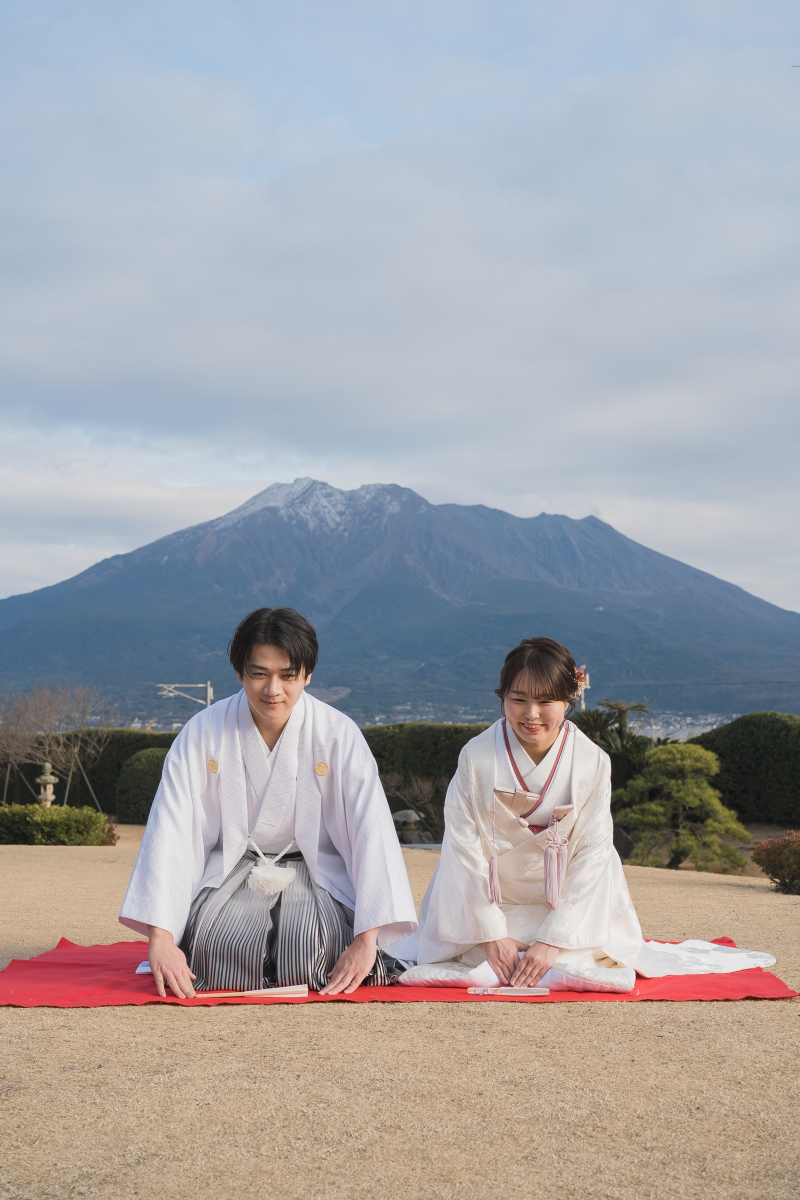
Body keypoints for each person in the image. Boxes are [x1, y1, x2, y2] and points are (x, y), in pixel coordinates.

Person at [120, 607, 417, 998]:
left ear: (307, 674)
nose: (272, 689)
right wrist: (160, 939)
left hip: (315, 870)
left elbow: (371, 833)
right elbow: (171, 831)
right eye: (259, 673)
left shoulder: (337, 734)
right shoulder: (203, 732)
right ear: (239, 672)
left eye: (287, 675)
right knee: (214, 949)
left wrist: (367, 940)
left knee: (311, 951)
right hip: (235, 868)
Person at [393, 637, 645, 992]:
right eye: (518, 699)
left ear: (569, 699)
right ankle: (511, 954)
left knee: (575, 951)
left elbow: (593, 852)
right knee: (482, 951)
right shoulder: (477, 757)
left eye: (546, 701)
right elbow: (464, 848)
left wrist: (553, 939)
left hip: (566, 900)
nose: (531, 714)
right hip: (492, 898)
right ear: (502, 697)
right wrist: (492, 933)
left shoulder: (592, 762)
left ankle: (543, 955)